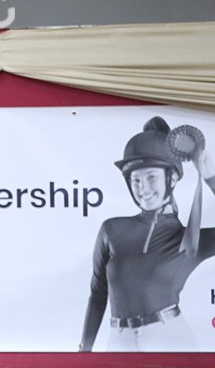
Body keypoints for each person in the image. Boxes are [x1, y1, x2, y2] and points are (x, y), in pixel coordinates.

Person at [80, 117, 215, 352]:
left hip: (170, 338)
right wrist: (84, 350)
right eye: (136, 180)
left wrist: (210, 177)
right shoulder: (111, 230)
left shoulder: (190, 239)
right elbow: (97, 295)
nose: (143, 188)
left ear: (171, 178)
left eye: (151, 177)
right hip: (118, 340)